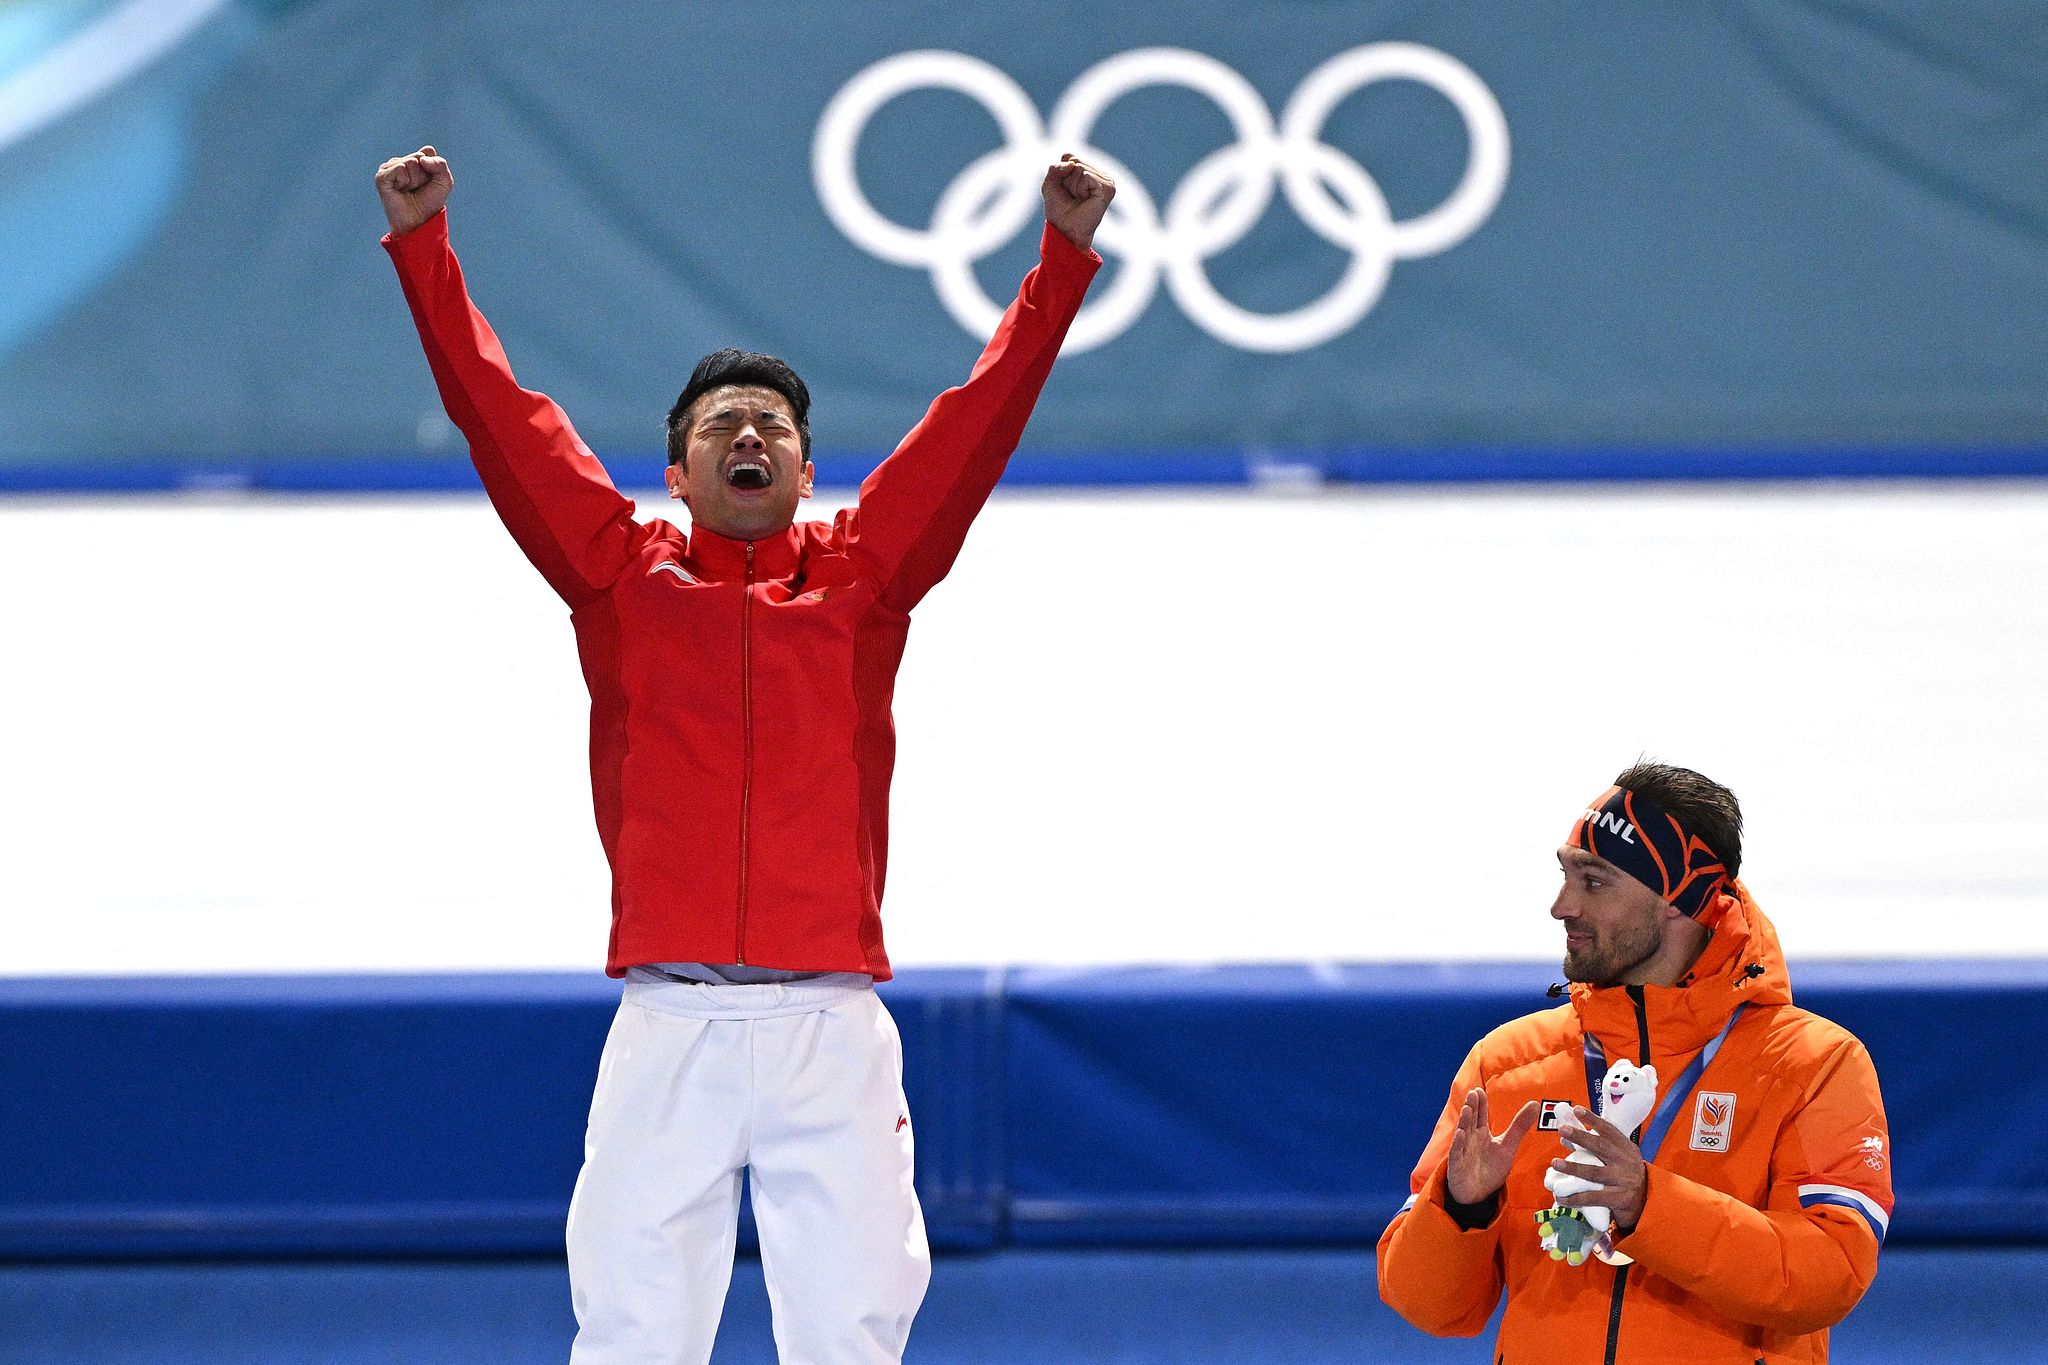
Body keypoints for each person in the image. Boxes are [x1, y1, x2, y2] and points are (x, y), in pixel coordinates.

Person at [374, 143, 1111, 1364]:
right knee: (632, 1338)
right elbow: (500, 419)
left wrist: (1061, 260)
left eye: (772, 423)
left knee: (848, 1339)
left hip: (830, 1027)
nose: (749, 432)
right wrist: (423, 248)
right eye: (721, 424)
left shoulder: (865, 578)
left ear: (806, 471)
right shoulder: (618, 578)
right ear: (676, 474)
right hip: (669, 1027)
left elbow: (974, 426)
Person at [1376, 763, 1894, 1363]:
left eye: (1594, 882)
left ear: (1679, 899)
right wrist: (1461, 1207)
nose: (1561, 906)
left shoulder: (1816, 1065)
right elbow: (1428, 1306)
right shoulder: (1509, 1063)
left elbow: (1829, 1275)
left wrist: (1651, 1203)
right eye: (1566, 875)